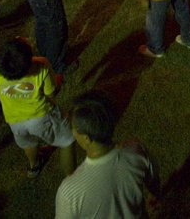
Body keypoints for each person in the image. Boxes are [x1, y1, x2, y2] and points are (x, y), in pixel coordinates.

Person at [55, 91, 160, 219]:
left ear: (86, 138)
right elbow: (153, 180)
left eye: (73, 128)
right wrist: (154, 195)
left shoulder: (69, 191)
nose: (71, 131)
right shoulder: (136, 150)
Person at [0, 37, 76, 179]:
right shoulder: (41, 65)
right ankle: (71, 178)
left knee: (28, 143)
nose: (19, 38)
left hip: (15, 121)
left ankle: (34, 166)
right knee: (67, 140)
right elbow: (51, 92)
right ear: (29, 59)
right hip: (42, 116)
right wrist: (58, 79)